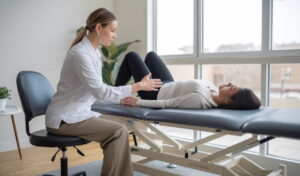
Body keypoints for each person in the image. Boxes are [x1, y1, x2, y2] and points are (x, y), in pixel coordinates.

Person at [45, 8, 162, 176]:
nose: (115, 36)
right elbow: (101, 91)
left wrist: (120, 99)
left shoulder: (93, 52)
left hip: (77, 114)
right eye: (112, 30)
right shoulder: (80, 54)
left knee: (118, 131)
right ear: (99, 28)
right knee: (117, 131)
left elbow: (96, 90)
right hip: (64, 120)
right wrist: (138, 86)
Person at [116, 51, 261, 110]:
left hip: (155, 92)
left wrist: (137, 102)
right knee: (151, 55)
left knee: (132, 56)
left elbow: (166, 103)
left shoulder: (200, 100)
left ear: (228, 101)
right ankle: (115, 91)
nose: (229, 84)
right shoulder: (214, 91)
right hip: (168, 83)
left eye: (232, 88)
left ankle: (114, 93)